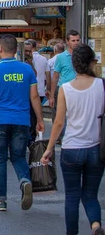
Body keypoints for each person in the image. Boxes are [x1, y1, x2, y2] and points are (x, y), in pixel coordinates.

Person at [41, 45, 105, 235]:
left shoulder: (66, 89)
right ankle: (95, 225)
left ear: (75, 65)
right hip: (96, 148)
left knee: (72, 196)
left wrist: (49, 148)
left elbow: (59, 122)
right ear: (92, 62)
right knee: (91, 194)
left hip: (71, 149)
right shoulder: (102, 85)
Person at [0, 34, 45, 212]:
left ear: (0, 49)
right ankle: (24, 181)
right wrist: (39, 119)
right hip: (22, 121)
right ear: (16, 50)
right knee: (18, 156)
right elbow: (34, 96)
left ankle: (0, 200)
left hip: (1, 120)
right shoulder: (27, 70)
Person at [50, 29, 81, 140]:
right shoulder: (61, 57)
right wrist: (52, 95)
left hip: (79, 89)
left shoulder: (82, 56)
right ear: (67, 42)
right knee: (62, 114)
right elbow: (55, 76)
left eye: (77, 40)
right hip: (64, 90)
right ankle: (63, 138)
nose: (76, 43)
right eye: (73, 40)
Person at [25, 39, 51, 143]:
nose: (27, 53)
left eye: (28, 50)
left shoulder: (33, 60)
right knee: (32, 115)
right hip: (38, 91)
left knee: (32, 115)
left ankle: (30, 138)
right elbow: (48, 75)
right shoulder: (43, 59)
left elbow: (36, 74)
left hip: (33, 92)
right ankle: (30, 137)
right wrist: (48, 89)